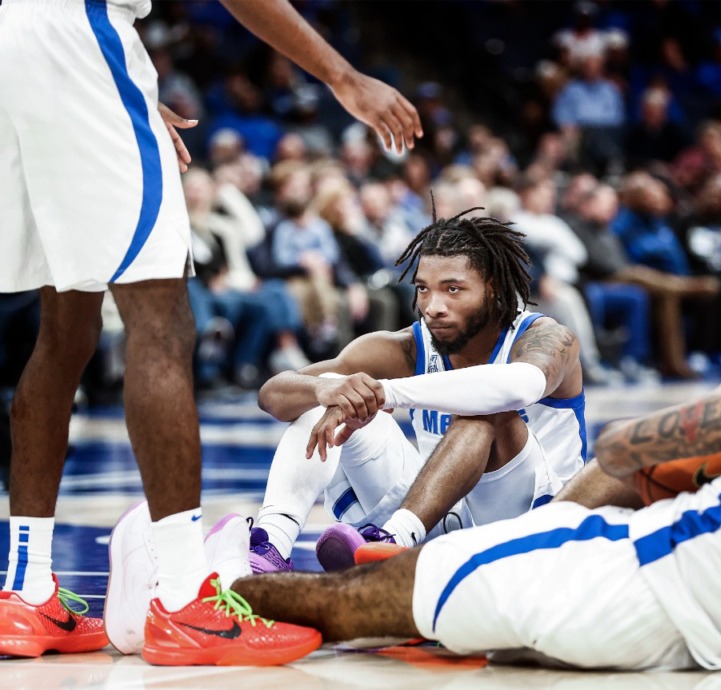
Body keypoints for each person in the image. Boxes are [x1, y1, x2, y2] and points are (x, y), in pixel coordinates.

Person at [112, 236, 721, 670]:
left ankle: (190, 592)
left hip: (607, 568)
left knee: (349, 602)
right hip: (701, 647)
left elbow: (628, 445)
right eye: (426, 289)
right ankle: (277, 532)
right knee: (435, 600)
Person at [0, 0, 420, 664]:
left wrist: (117, 97)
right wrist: (345, 77)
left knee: (65, 325)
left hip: (14, 48)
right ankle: (183, 598)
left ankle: (26, 590)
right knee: (160, 324)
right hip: (79, 34)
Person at [246, 209, 586, 574]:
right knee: (331, 393)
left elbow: (518, 386)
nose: (433, 307)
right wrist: (327, 388)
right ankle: (273, 544)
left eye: (452, 289)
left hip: (532, 533)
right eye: (424, 289)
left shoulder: (548, 339)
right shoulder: (409, 345)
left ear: (493, 289)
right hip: (435, 516)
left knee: (485, 413)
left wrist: (385, 393)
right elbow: (273, 394)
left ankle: (393, 545)